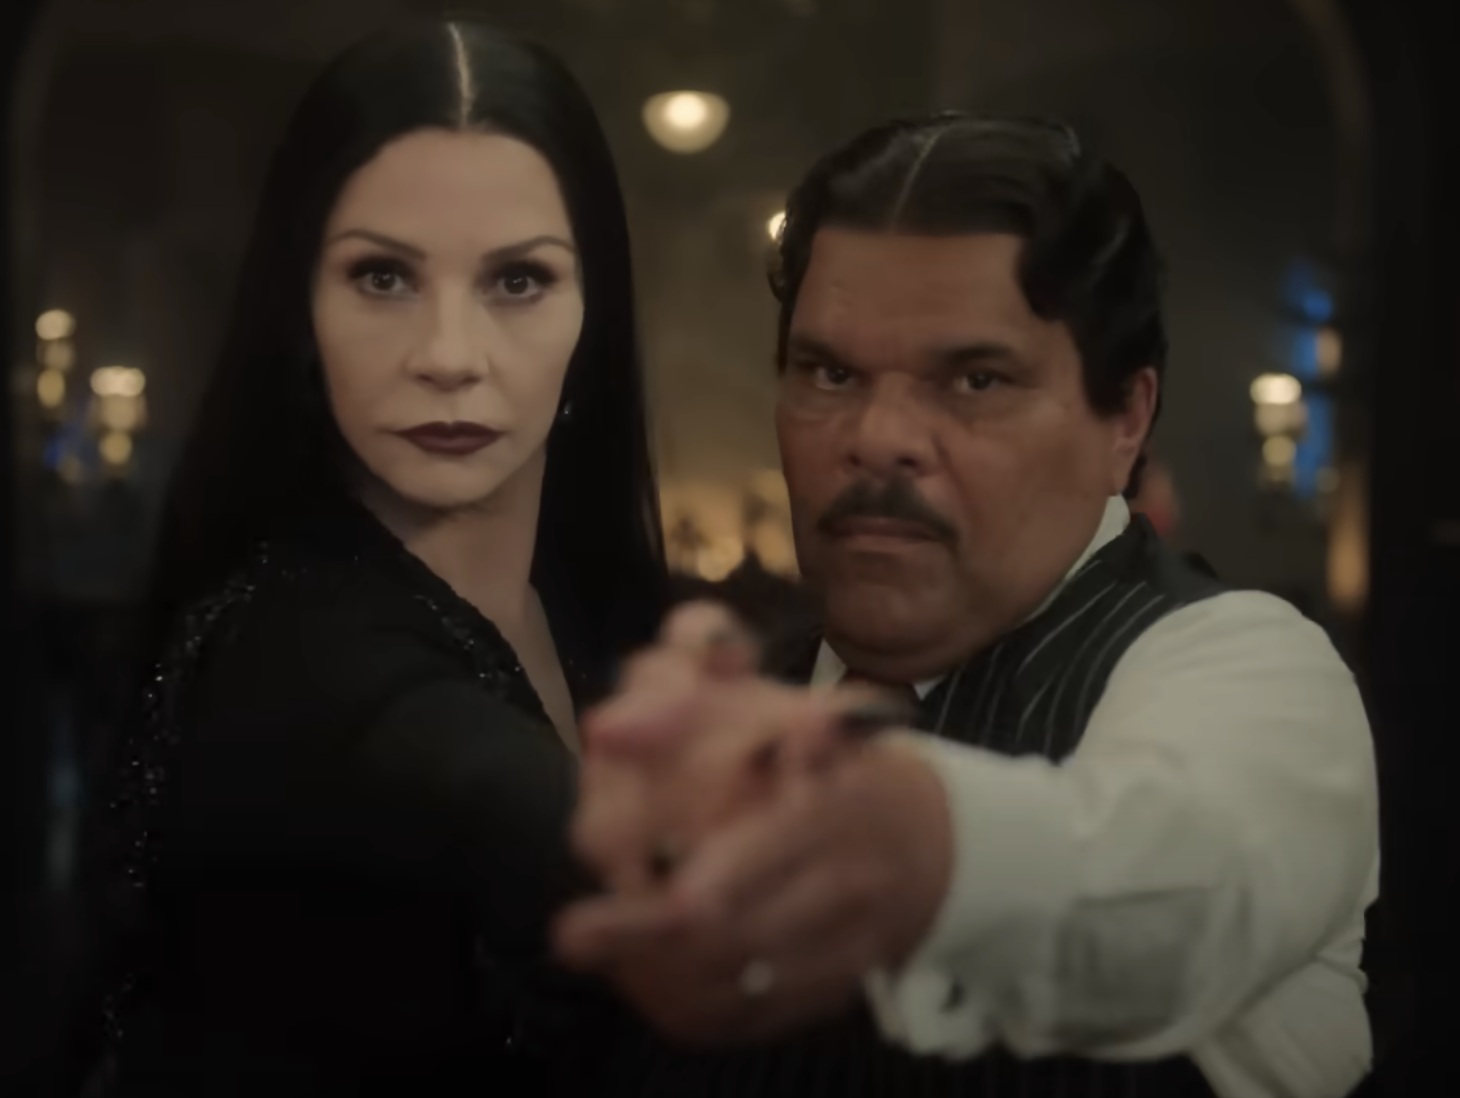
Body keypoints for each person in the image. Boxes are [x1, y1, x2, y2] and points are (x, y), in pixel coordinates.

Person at [556, 114, 1380, 1098]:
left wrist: (904, 837)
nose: (879, 437)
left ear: (1124, 420)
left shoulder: (1245, 671)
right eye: (830, 373)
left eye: (976, 380)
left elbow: (1177, 886)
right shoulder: (739, 695)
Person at [82, 17, 665, 1097]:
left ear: (596, 309)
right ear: (299, 307)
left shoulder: (595, 607)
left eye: (518, 281)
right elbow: (434, 753)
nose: (448, 355)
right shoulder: (286, 649)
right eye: (383, 277)